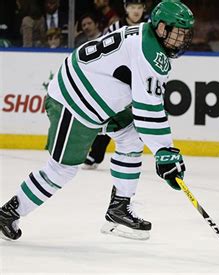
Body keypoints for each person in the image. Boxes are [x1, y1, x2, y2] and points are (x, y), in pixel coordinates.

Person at [0, 0, 194, 241]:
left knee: (132, 136)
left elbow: (149, 107)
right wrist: (165, 151)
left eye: (186, 34)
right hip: (74, 102)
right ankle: (9, 213)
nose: (182, 40)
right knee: (61, 170)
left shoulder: (148, 38)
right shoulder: (150, 51)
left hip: (98, 96)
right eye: (178, 33)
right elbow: (148, 110)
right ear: (162, 27)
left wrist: (165, 150)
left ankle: (119, 209)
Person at [83, 0, 149, 170]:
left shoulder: (150, 28)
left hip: (142, 79)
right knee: (110, 113)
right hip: (119, 79)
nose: (136, 11)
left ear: (143, 9)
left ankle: (161, 154)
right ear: (126, 9)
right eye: (132, 7)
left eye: (139, 7)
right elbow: (102, 52)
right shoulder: (115, 28)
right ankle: (96, 154)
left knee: (150, 116)